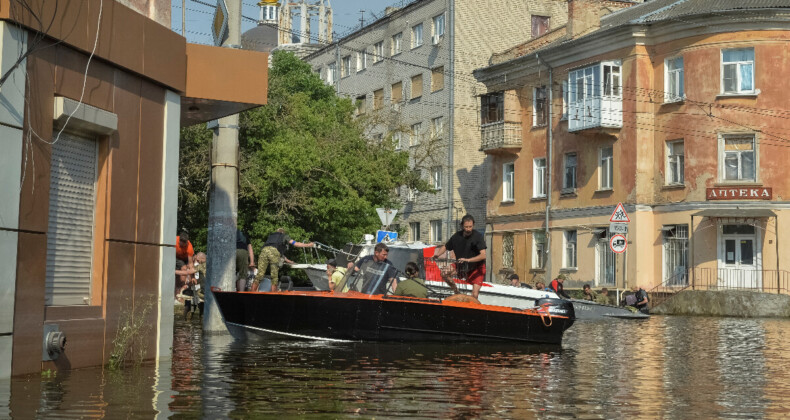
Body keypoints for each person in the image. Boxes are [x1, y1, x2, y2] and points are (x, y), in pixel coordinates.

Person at [433, 214, 487, 299]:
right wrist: (437, 254)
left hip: (476, 268)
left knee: (475, 295)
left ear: (473, 225)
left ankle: (472, 309)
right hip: (461, 265)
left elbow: (483, 255)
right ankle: (456, 292)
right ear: (462, 226)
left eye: (470, 226)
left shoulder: (478, 237)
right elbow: (446, 246)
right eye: (466, 227)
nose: (468, 229)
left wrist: (468, 260)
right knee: (444, 273)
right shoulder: (456, 236)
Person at [175, 232, 195, 299]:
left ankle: (183, 289)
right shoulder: (174, 240)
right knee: (181, 270)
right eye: (182, 244)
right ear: (179, 240)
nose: (183, 245)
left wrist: (193, 276)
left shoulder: (189, 247)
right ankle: (178, 290)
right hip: (176, 257)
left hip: (185, 259)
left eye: (185, 244)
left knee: (186, 269)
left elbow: (190, 263)